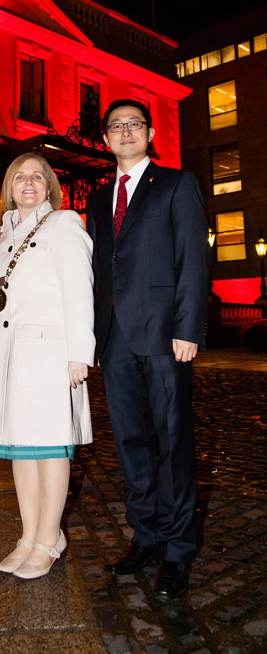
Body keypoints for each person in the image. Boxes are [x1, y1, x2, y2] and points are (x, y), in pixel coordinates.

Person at [87, 99, 209, 599]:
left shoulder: (177, 184)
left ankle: (178, 549)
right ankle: (146, 535)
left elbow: (193, 258)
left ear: (150, 131)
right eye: (116, 126)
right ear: (106, 138)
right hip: (114, 338)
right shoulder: (97, 198)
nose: (125, 132)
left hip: (164, 336)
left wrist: (188, 328)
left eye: (134, 124)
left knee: (172, 441)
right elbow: (97, 269)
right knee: (131, 443)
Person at [0, 153, 95, 580]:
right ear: (9, 187)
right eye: (21, 177)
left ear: (50, 186)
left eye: (38, 176)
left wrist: (79, 352)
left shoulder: (63, 224)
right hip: (5, 355)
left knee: (51, 445)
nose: (29, 182)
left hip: (48, 353)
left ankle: (49, 537)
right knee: (21, 446)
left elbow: (80, 291)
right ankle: (28, 535)